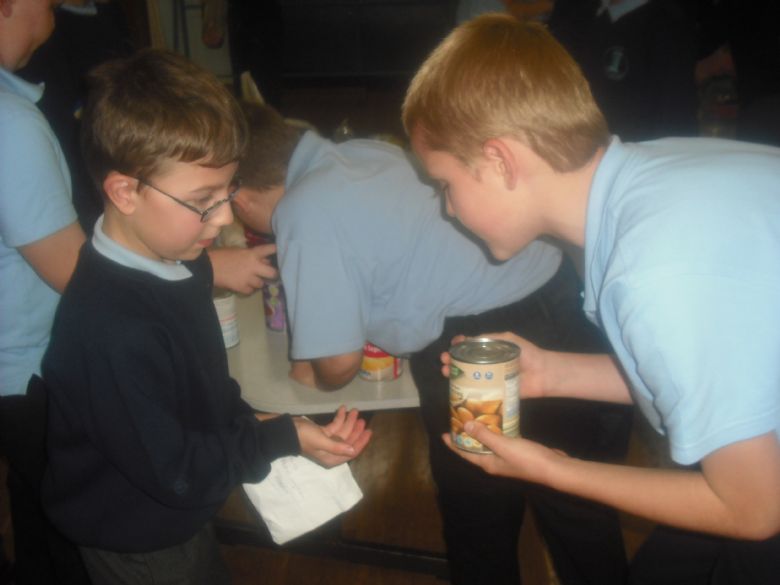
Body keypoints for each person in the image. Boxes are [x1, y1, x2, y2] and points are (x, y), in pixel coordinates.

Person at [403, 13, 780, 584]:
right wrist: (552, 372)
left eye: (445, 184)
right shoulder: (651, 173)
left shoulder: (651, 272)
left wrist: (555, 470)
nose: (447, 208)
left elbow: (754, 509)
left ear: (501, 161)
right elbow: (714, 371)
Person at [233, 101, 633, 584]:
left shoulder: (303, 208)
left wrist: (310, 370)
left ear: (239, 195)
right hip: (553, 295)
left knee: (479, 513)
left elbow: (338, 366)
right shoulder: (361, 152)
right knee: (580, 507)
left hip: (475, 341)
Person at [40, 49, 372, 585]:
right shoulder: (113, 330)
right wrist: (277, 439)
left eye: (229, 191)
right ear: (125, 191)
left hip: (175, 515)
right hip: (139, 539)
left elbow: (200, 395)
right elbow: (178, 475)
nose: (222, 217)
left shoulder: (177, 265)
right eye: (203, 200)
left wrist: (264, 425)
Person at [0, 1, 90, 583]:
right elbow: (78, 277)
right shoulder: (10, 125)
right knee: (72, 524)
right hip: (26, 370)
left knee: (33, 499)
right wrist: (207, 264)